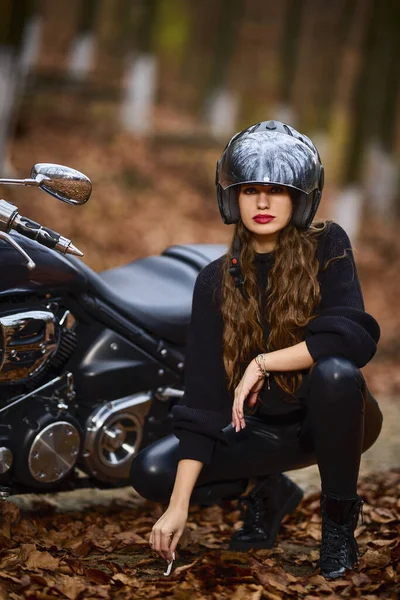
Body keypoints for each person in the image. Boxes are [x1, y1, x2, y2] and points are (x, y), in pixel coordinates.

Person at [129, 120, 383, 580]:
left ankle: (338, 525)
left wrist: (262, 363)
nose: (263, 203)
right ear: (232, 196)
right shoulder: (212, 281)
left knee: (337, 374)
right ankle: (267, 489)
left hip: (334, 417)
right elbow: (204, 400)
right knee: (150, 472)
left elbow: (352, 336)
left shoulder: (328, 244)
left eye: (277, 190)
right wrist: (178, 507)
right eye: (250, 190)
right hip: (258, 431)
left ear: (301, 197)